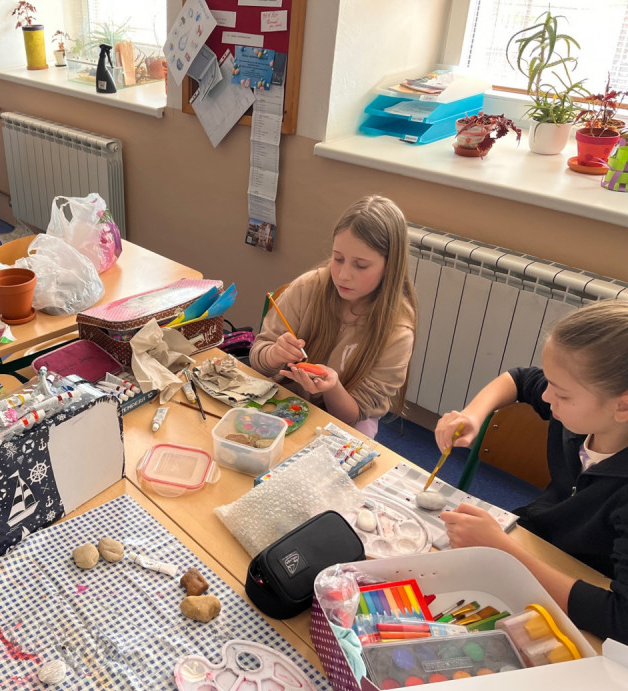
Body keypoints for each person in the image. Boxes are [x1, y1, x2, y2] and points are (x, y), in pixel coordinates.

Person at [436, 299, 628, 643]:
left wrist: (505, 552)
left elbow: (621, 619)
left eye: (562, 394)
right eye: (550, 383)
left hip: (583, 593)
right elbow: (521, 379)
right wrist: (473, 415)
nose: (548, 396)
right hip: (536, 542)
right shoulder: (585, 416)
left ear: (623, 406)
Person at [248, 195, 417, 437]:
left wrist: (332, 387)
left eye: (361, 265)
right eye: (338, 259)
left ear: (390, 267)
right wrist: (274, 354)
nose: (343, 275)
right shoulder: (307, 288)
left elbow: (354, 415)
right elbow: (257, 359)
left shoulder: (397, 331)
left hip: (344, 423)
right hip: (283, 402)